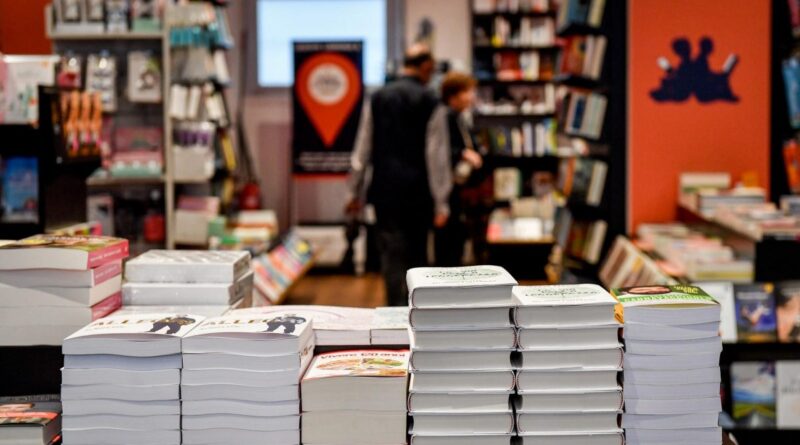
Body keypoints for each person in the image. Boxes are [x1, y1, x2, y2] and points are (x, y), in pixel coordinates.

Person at [346, 44, 452, 306]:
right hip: (419, 193)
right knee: (418, 259)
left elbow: (362, 149)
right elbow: (436, 157)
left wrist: (353, 192)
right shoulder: (431, 102)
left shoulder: (378, 98)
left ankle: (392, 319)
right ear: (425, 66)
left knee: (392, 258)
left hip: (384, 191)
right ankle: (418, 318)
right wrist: (442, 201)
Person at [435, 72, 483, 266]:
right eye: (467, 91)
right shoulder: (445, 117)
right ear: (454, 95)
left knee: (457, 238)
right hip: (448, 187)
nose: (472, 96)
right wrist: (464, 154)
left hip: (460, 188)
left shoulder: (460, 117)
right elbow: (441, 151)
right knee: (448, 242)